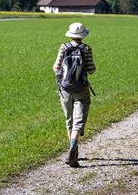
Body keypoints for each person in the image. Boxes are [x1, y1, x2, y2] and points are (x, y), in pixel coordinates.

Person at [53, 22, 96, 167]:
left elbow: (56, 67)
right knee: (78, 122)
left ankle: (74, 151)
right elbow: (91, 70)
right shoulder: (86, 49)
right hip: (81, 88)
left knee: (69, 120)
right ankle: (73, 151)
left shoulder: (63, 47)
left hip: (65, 88)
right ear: (82, 36)